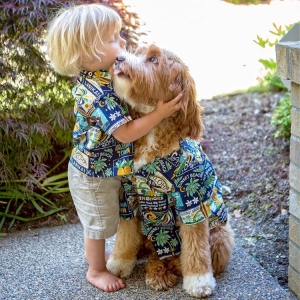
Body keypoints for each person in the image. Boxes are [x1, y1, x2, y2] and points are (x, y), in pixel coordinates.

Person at [45, 3, 183, 293]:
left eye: (120, 36)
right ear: (85, 53)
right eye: (112, 39)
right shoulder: (97, 94)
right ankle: (95, 269)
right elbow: (124, 133)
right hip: (94, 174)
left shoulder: (102, 74)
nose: (122, 43)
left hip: (105, 166)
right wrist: (159, 114)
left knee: (106, 218)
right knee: (99, 224)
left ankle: (94, 256)